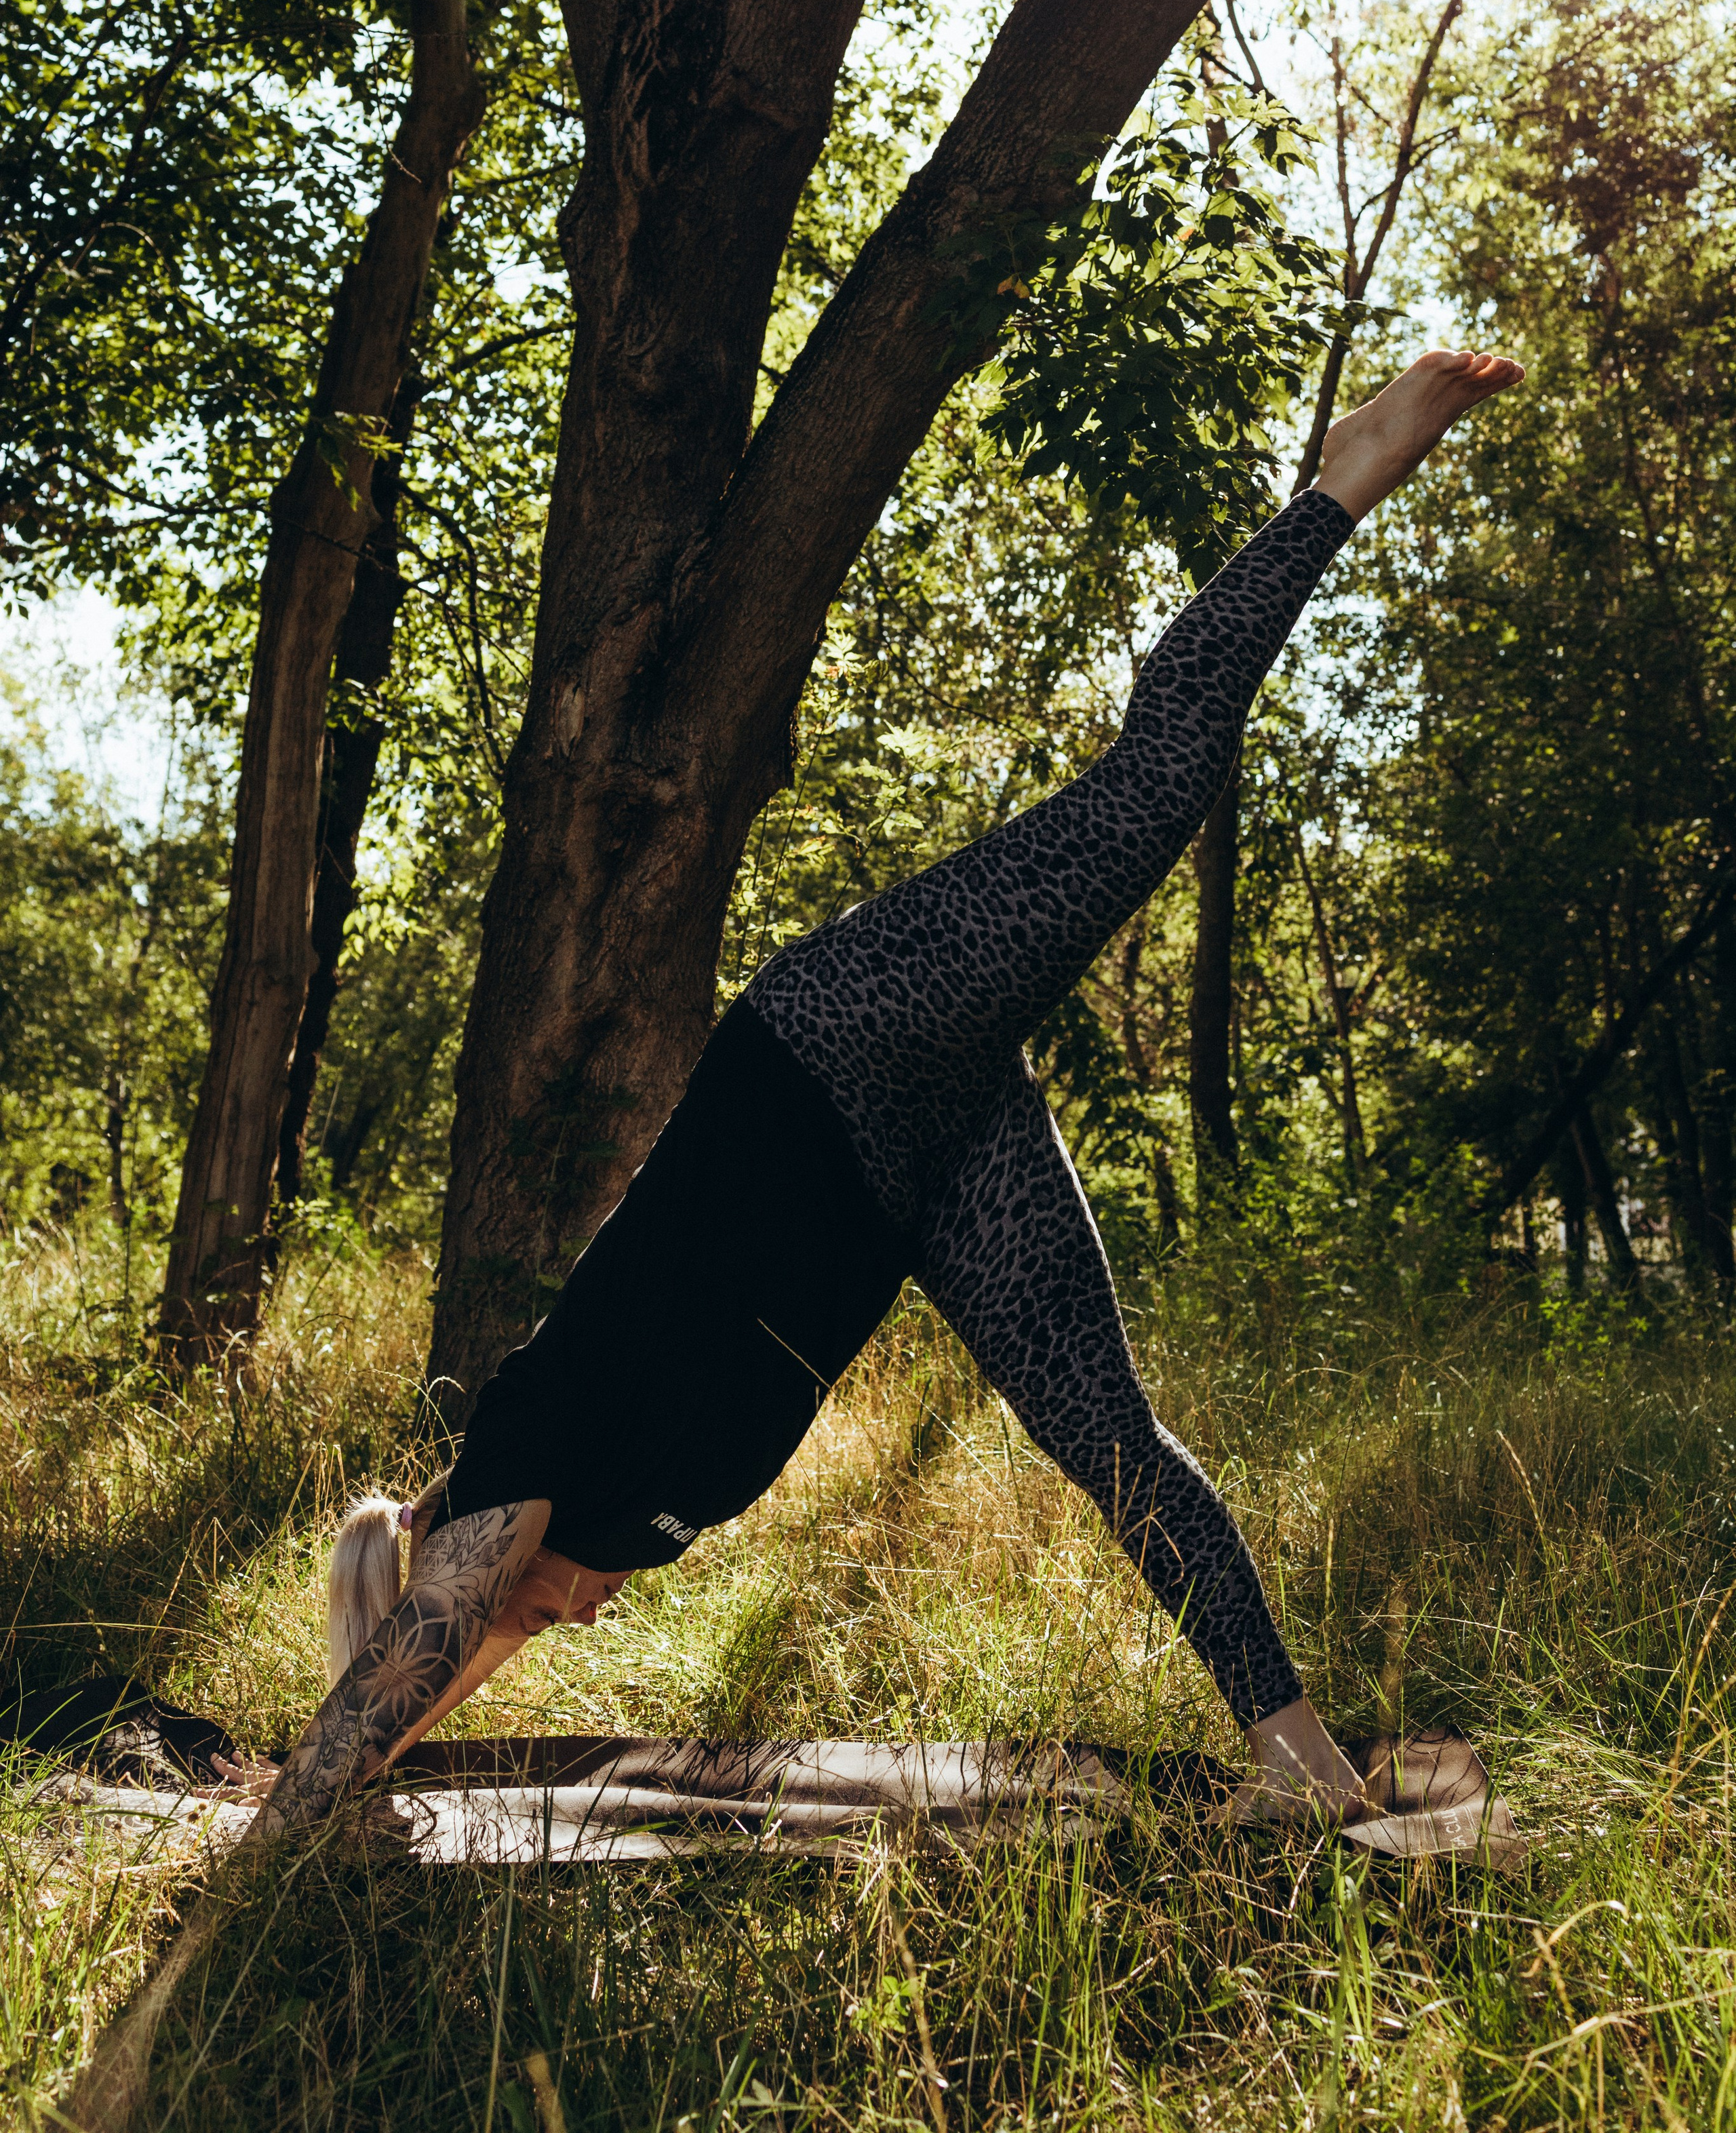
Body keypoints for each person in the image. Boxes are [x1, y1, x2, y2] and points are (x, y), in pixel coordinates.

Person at [250, 347, 1522, 1837]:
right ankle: (1300, 1762)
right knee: (1109, 1437)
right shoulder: (573, 1545)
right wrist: (359, 1779)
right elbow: (456, 1663)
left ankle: (1343, 476)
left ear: (467, 1558)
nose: (567, 1623)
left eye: (517, 1610)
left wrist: (279, 1832)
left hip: (843, 1036)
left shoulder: (531, 1450)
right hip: (919, 1164)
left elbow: (428, 1647)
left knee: (1152, 790)